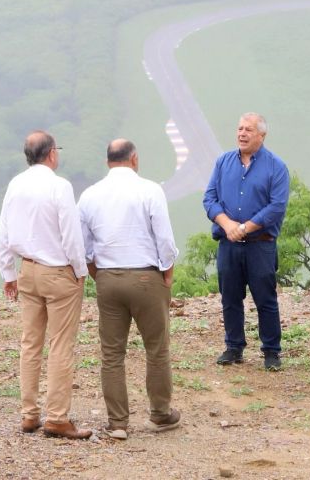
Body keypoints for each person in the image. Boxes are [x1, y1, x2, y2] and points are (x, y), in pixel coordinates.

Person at [78, 139, 181, 440]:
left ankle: (118, 423)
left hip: (108, 278)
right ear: (134, 159)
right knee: (156, 348)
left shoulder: (89, 195)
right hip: (147, 276)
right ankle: (160, 414)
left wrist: (98, 274)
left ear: (107, 160)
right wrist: (167, 271)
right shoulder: (150, 190)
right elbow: (164, 238)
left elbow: (83, 247)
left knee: (112, 353)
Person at [0, 131, 91, 439]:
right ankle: (58, 417)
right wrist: (80, 270)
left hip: (27, 270)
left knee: (30, 343)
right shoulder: (59, 186)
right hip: (58, 271)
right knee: (61, 344)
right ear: (51, 154)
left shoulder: (15, 184)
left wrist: (8, 273)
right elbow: (70, 233)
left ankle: (29, 414)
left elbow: (4, 231)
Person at [203, 113, 290, 371]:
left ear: (261, 136)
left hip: (260, 244)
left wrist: (245, 227)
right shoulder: (223, 162)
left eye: (248, 130)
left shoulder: (276, 166)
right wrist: (228, 225)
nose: (242, 133)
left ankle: (271, 351)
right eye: (240, 128)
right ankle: (234, 347)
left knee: (265, 299)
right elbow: (209, 199)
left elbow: (277, 206)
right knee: (230, 297)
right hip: (228, 243)